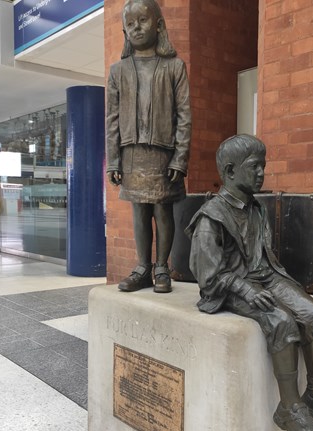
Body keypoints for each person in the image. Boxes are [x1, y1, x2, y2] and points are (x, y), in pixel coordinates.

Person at [186, 134, 313, 431]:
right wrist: (245, 289)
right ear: (229, 171)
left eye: (263, 167)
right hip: (231, 285)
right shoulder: (211, 216)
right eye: (254, 167)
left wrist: (281, 285)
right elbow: (207, 273)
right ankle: (290, 409)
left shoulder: (257, 208)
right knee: (281, 320)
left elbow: (265, 258)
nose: (261, 173)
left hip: (267, 278)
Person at [106, 0, 191, 294]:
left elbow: (184, 116)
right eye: (130, 24)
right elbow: (112, 120)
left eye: (142, 21)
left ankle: (162, 267)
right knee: (139, 210)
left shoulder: (174, 66)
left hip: (164, 154)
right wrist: (113, 160)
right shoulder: (118, 71)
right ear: (124, 31)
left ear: (159, 25)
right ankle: (142, 267)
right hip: (131, 153)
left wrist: (180, 159)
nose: (136, 28)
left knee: (162, 209)